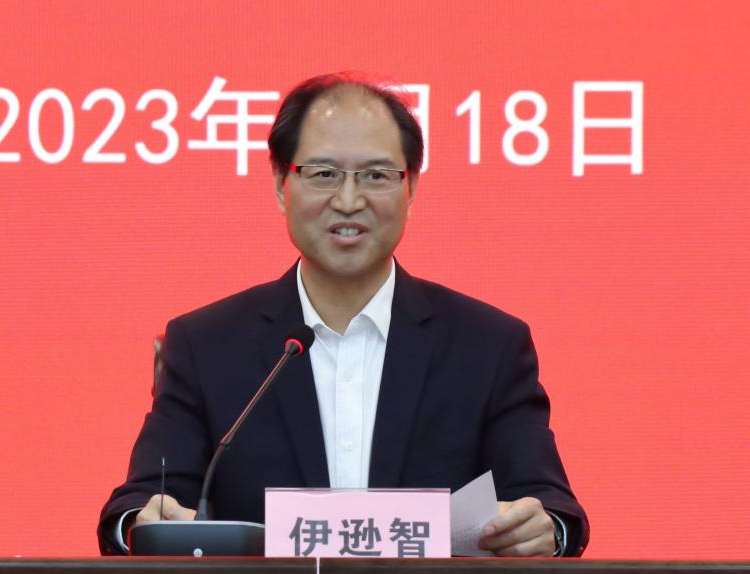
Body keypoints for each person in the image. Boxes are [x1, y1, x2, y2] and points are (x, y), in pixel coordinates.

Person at [98, 72, 589, 557]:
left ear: (411, 187)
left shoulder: (488, 345)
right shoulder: (206, 345)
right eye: (323, 174)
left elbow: (550, 508)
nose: (349, 201)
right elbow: (137, 508)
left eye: (376, 176)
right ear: (280, 184)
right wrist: (145, 523)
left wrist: (544, 530)